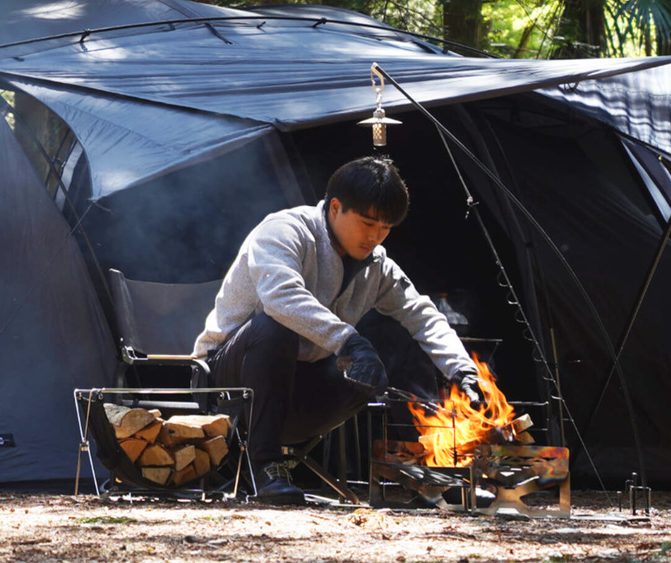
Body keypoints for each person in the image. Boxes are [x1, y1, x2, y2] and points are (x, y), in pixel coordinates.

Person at [192, 155, 482, 505]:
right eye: (367, 222)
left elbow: (422, 314)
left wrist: (463, 370)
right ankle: (264, 466)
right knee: (274, 325)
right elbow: (280, 297)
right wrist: (348, 341)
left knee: (396, 338)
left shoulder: (379, 266)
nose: (375, 236)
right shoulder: (284, 231)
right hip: (230, 389)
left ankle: (427, 473)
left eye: (386, 227)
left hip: (301, 393)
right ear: (334, 207)